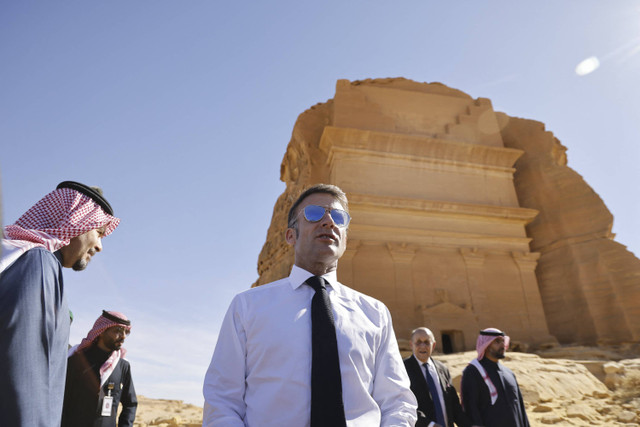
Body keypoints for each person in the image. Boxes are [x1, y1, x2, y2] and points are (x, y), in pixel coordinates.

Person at [203, 184, 417, 426]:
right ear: (290, 235)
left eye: (338, 217)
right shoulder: (247, 307)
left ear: (345, 238)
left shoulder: (375, 314)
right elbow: (221, 401)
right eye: (314, 214)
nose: (328, 222)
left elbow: (397, 402)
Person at [0, 181, 120, 427]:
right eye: (98, 232)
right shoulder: (39, 264)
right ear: (75, 221)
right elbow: (27, 379)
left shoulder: (20, 260)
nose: (99, 245)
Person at [62, 310, 137, 427]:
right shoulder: (77, 360)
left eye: (125, 332)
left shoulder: (123, 366)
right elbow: (62, 399)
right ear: (101, 331)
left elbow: (130, 404)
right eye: (117, 331)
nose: (123, 336)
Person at [460, 328, 530, 427]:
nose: (502, 345)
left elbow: (520, 408)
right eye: (497, 341)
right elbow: (470, 409)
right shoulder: (473, 372)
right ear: (486, 345)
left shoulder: (509, 373)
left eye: (503, 341)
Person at [404, 328, 471, 427]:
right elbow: (404, 404)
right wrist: (430, 425)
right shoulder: (403, 369)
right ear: (411, 344)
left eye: (427, 342)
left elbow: (454, 406)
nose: (423, 346)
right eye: (418, 342)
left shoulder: (442, 369)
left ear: (433, 345)